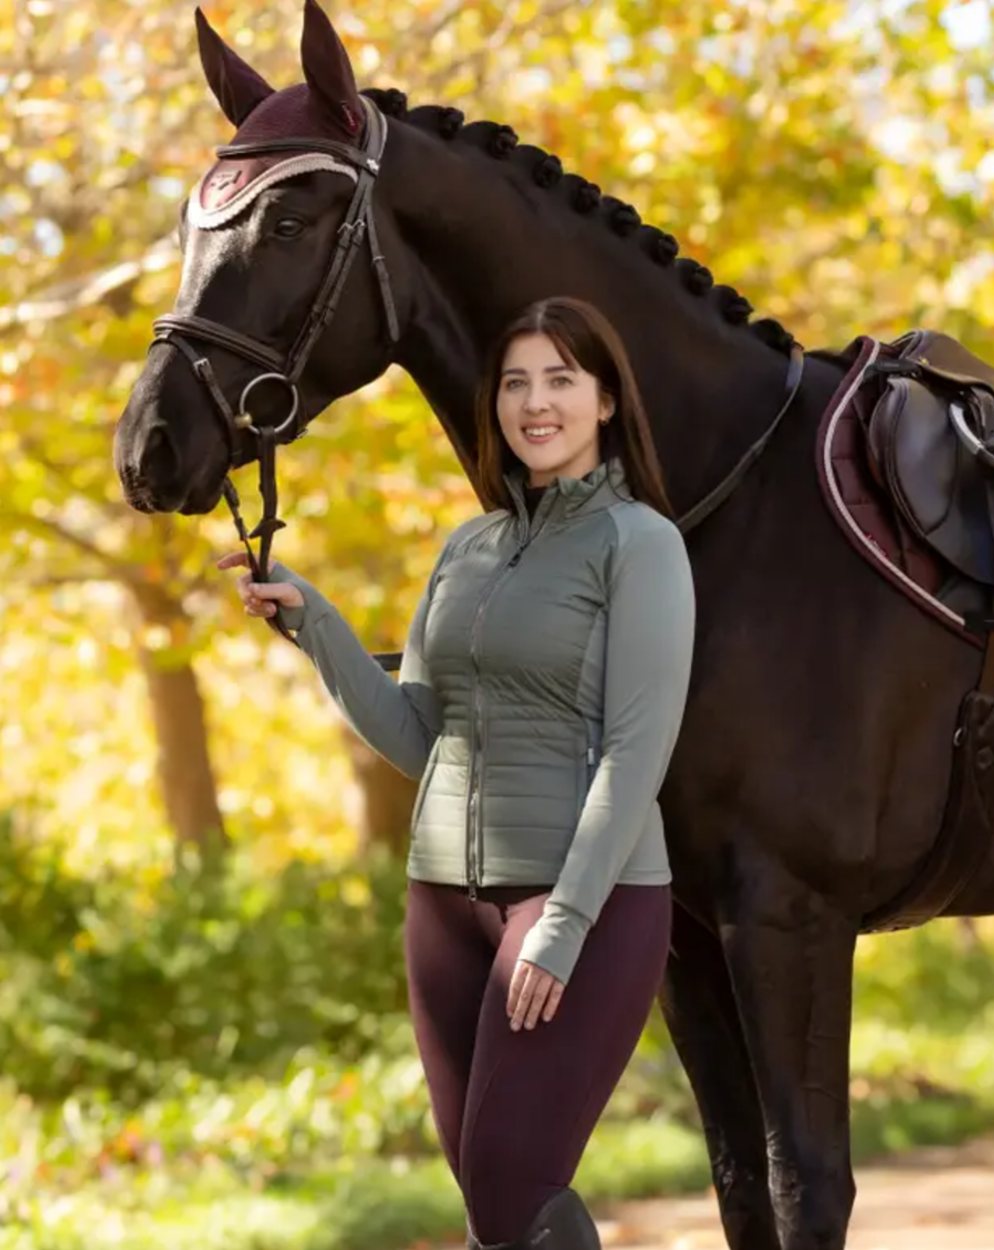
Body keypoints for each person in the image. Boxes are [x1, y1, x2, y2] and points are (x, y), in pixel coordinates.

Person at [218, 296, 695, 1249]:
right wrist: (313, 621)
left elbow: (637, 753)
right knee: (489, 1200)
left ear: (605, 401)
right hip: (441, 897)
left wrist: (560, 924)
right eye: (516, 381)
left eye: (561, 378)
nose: (535, 402)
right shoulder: (468, 547)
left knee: (511, 1188)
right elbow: (420, 735)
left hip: (580, 899)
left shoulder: (639, 545)